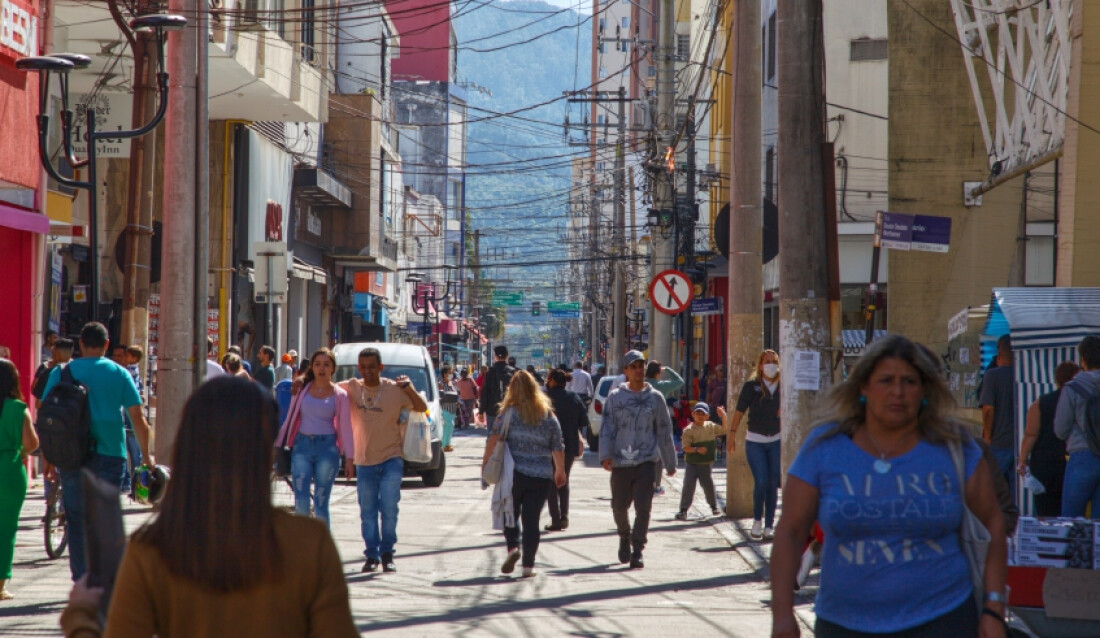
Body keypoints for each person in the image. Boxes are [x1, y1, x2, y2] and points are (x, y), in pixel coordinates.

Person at [60, 377, 358, 637]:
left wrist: (82, 614)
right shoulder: (309, 543)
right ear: (266, 455)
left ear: (186, 447)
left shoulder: (153, 549)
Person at [771, 335, 1007, 638]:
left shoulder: (954, 448)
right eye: (886, 380)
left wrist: (994, 608)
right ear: (863, 387)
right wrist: (782, 614)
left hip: (943, 619)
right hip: (844, 623)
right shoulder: (825, 447)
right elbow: (790, 530)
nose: (898, 392)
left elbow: (994, 521)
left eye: (909, 381)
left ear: (924, 390)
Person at [42, 322, 153, 580]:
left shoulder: (62, 372)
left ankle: (82, 577)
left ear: (80, 344)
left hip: (71, 455)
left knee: (76, 517)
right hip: (110, 453)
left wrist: (48, 456)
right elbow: (137, 418)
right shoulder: (119, 373)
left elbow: (48, 417)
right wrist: (147, 459)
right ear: (106, 344)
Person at [338, 347, 427, 573]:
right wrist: (300, 381)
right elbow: (323, 386)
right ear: (359, 367)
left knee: (389, 508)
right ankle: (372, 555)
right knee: (367, 512)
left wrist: (410, 387)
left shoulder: (394, 390)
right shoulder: (351, 387)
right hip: (364, 461)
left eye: (372, 367)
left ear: (381, 367)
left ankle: (387, 553)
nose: (367, 371)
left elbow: (422, 408)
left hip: (391, 458)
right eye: (363, 367)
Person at [481, 371, 566, 577]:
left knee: (510, 514)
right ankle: (528, 566)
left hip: (513, 475)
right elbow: (557, 445)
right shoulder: (547, 414)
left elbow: (493, 439)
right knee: (532, 520)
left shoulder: (507, 413)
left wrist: (485, 465)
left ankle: (513, 548)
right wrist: (560, 470)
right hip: (541, 476)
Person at [599, 350, 678, 569]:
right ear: (625, 371)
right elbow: (607, 428)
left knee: (644, 507)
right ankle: (624, 536)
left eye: (641, 365)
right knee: (619, 507)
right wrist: (605, 455)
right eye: (633, 366)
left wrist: (670, 462)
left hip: (646, 462)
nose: (638, 370)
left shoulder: (655, 398)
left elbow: (664, 430)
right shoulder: (615, 398)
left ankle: (637, 549)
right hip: (620, 462)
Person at [276, 348, 353, 527]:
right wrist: (278, 444)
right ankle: (303, 546)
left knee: (321, 501)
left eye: (326, 364)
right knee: (301, 500)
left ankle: (321, 548)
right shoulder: (302, 388)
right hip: (301, 446)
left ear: (333, 368)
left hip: (327, 449)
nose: (322, 368)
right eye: (317, 364)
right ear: (312, 367)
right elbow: (289, 418)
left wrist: (350, 458)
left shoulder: (340, 395)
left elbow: (346, 427)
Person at [727, 350, 782, 540]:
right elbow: (739, 411)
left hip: (776, 440)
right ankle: (757, 520)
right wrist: (731, 435)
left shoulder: (784, 385)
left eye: (774, 361)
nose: (770, 365)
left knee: (773, 484)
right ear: (760, 365)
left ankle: (769, 525)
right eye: (767, 362)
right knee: (761, 481)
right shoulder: (752, 386)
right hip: (755, 441)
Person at [1018, 361, 1079, 517]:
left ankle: (1048, 539)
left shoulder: (1041, 403)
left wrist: (1022, 460)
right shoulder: (1081, 401)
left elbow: (1031, 434)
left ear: (1057, 380)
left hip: (1045, 465)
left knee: (1046, 513)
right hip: (1072, 461)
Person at [0, 358, 39, 600]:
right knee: (6, 529)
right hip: (10, 471)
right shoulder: (17, 407)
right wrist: (20, 452)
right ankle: (0, 585)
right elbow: (32, 444)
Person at [1055, 335, 1100, 519]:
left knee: (1071, 521)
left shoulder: (1073, 388)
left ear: (1083, 360)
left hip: (1082, 456)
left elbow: (1060, 429)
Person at [544, 368, 587, 531]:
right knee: (564, 479)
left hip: (547, 446)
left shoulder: (544, 399)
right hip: (569, 445)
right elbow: (583, 420)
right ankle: (565, 517)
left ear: (552, 381)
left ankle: (555, 519)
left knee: (551, 482)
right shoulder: (574, 397)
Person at [980, 334, 1017, 497]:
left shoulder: (992, 375)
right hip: (1019, 445)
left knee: (990, 491)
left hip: (998, 443)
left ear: (999, 354)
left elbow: (988, 409)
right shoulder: (1023, 376)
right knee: (1015, 493)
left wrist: (987, 438)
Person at [675, 402, 726, 520]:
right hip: (692, 464)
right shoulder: (689, 430)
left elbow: (725, 430)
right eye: (697, 413)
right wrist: (697, 449)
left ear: (707, 416)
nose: (700, 415)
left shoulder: (711, 426)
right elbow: (685, 448)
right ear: (693, 414)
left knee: (708, 485)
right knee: (688, 485)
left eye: (703, 413)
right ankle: (683, 510)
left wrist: (723, 415)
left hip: (706, 463)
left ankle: (714, 507)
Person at [480, 345, 517, 433]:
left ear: (495, 356)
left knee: (492, 435)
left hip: (492, 410)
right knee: (509, 436)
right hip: (509, 409)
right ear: (507, 355)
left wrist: (481, 411)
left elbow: (485, 392)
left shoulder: (490, 372)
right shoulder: (513, 372)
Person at [32, 337, 74, 408]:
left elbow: (38, 403)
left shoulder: (47, 371)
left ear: (56, 353)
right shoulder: (78, 371)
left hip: (51, 416)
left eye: (53, 353)